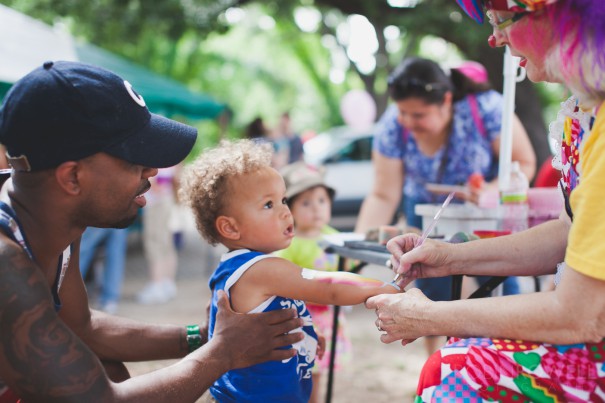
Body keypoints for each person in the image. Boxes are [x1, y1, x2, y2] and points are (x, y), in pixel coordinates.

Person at [0, 60, 305, 402]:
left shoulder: (49, 214)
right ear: (72, 178)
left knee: (105, 365)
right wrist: (223, 351)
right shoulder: (4, 264)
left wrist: (203, 335)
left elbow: (81, 327)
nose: (154, 170)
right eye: (135, 159)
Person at [366, 0, 605, 400]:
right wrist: (449, 256)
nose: (494, 39)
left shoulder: (495, 110)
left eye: (502, 21)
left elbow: (580, 315)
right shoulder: (588, 112)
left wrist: (429, 317)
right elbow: (570, 230)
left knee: (454, 370)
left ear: (560, 17)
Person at [178, 139, 400, 402]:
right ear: (230, 228)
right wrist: (388, 289)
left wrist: (304, 336)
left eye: (283, 200)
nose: (286, 212)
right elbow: (328, 287)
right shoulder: (260, 269)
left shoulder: (238, 266)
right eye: (268, 205)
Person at [355, 56, 536, 355]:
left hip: (484, 217)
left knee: (499, 290)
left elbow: (524, 163)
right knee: (430, 302)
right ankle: (440, 371)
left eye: (419, 115)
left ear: (446, 100)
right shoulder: (392, 124)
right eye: (403, 113)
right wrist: (359, 243)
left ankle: (505, 362)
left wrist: (490, 191)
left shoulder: (487, 108)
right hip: (425, 215)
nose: (408, 122)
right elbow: (384, 194)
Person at [274, 161, 352, 403]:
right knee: (299, 368)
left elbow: (347, 269)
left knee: (318, 369)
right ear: (290, 209)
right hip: (302, 315)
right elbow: (283, 279)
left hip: (328, 316)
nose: (316, 208)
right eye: (306, 203)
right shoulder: (289, 242)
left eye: (321, 200)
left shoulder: (334, 237)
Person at [137, 165, 180, 304]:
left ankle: (157, 285)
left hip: (156, 200)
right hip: (166, 197)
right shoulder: (175, 151)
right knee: (165, 242)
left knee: (154, 243)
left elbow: (154, 179)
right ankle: (167, 283)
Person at [79, 226, 129, 313]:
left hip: (97, 216)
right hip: (120, 215)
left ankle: (66, 296)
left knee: (80, 249)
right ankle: (110, 300)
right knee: (115, 254)